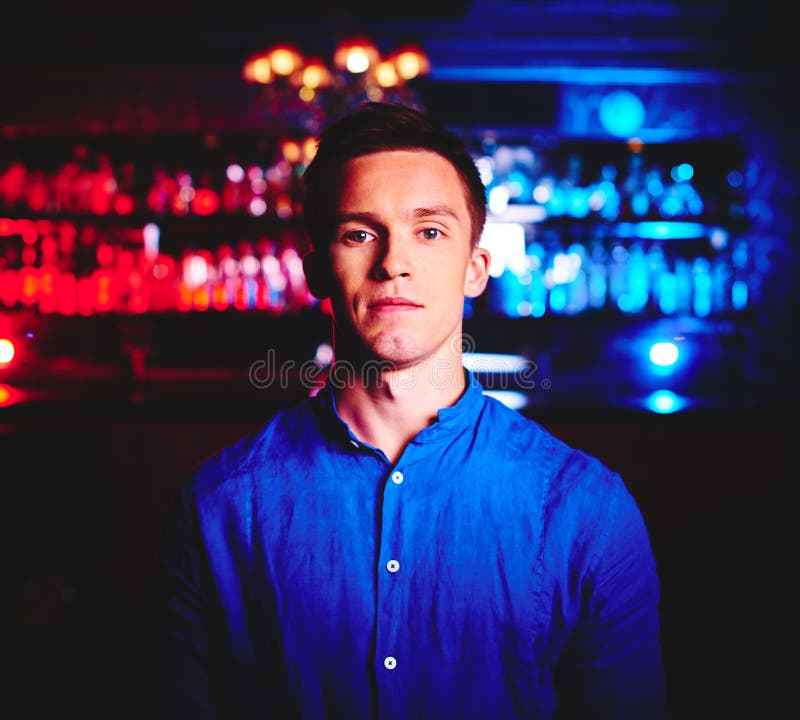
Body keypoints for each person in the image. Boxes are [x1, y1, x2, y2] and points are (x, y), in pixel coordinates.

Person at [149, 101, 669, 719]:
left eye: (430, 231)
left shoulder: (588, 510)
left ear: (475, 269)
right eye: (359, 233)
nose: (393, 262)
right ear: (317, 270)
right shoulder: (220, 506)